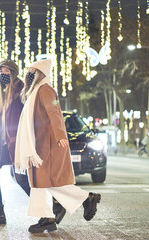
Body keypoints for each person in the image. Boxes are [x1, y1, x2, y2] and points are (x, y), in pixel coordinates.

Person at [15, 59, 101, 233]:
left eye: (33, 70)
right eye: (29, 70)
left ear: (41, 73)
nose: (29, 73)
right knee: (44, 183)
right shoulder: (35, 91)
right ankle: (82, 201)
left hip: (48, 146)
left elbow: (54, 113)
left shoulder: (45, 90)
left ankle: (49, 216)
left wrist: (61, 135)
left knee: (45, 182)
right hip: (39, 145)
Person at [0, 60, 30, 226]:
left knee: (21, 179)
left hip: (16, 143)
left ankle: (50, 207)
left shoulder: (21, 90)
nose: (4, 74)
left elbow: (28, 111)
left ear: (14, 73)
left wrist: (14, 86)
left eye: (7, 71)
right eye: (1, 72)